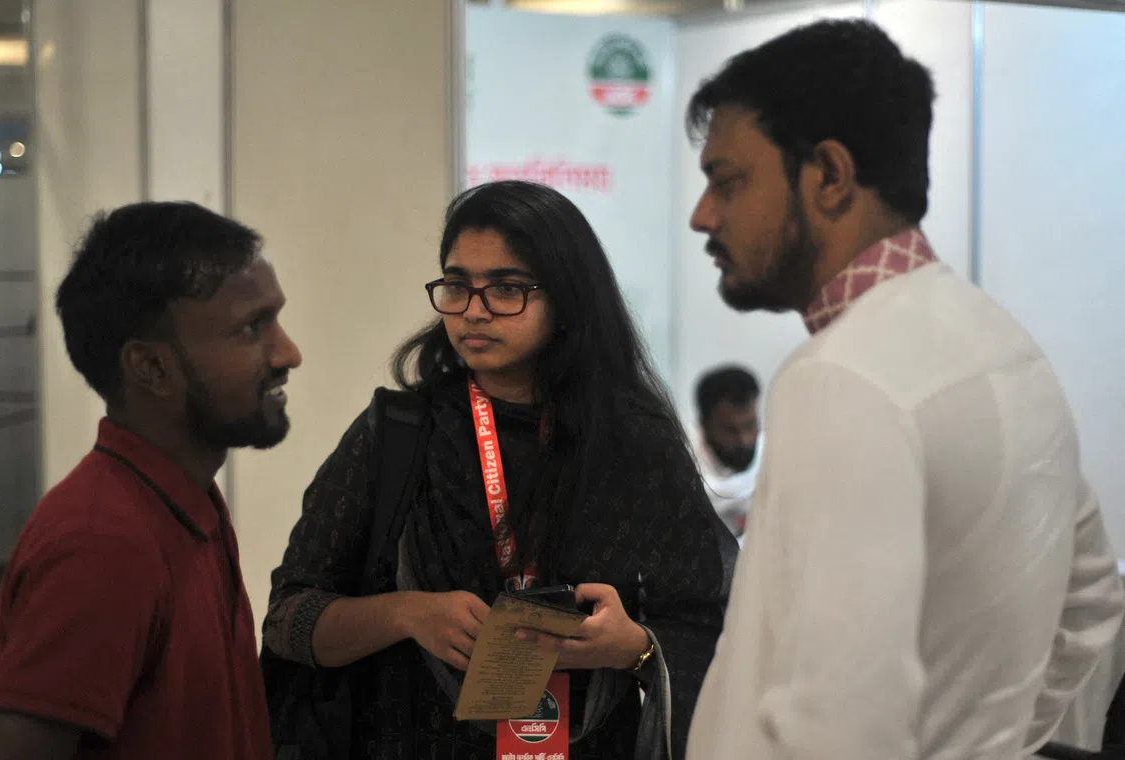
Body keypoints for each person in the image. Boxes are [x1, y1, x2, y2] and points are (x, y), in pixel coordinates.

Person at [683, 20, 1124, 760]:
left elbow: (840, 723)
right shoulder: (1004, 346)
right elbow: (1090, 608)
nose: (703, 214)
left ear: (828, 174)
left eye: (727, 181)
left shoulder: (842, 375)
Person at [261, 180, 736, 760]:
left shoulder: (635, 443)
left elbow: (709, 627)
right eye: (457, 285)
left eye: (507, 288)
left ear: (566, 298)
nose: (474, 311)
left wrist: (633, 647)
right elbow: (287, 620)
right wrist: (406, 614)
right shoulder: (401, 433)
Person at [0, 202, 302, 760]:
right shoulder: (104, 543)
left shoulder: (182, 498)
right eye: (252, 327)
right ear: (151, 368)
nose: (288, 353)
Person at [693, 365, 764, 540]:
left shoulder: (774, 455)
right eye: (731, 431)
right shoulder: (682, 468)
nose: (745, 440)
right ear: (704, 426)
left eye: (750, 425)